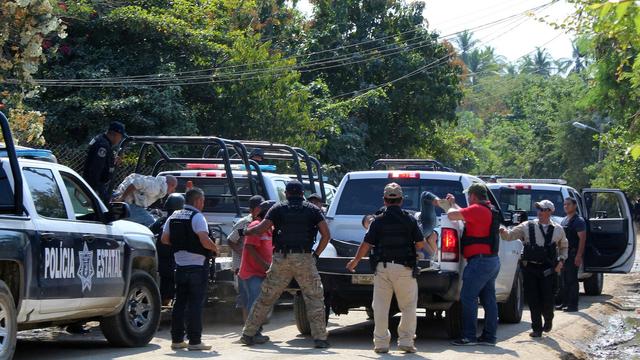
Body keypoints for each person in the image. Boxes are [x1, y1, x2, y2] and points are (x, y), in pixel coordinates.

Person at [239, 180, 331, 349]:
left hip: (281, 257)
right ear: (302, 194)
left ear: (287, 194)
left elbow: (260, 229)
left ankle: (248, 334)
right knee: (314, 298)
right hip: (304, 258)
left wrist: (244, 231)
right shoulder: (313, 210)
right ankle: (320, 338)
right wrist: (315, 255)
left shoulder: (278, 208)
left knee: (266, 297)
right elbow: (326, 235)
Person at [346, 183, 425, 354]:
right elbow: (420, 243)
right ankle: (406, 342)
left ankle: (381, 344)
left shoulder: (377, 221)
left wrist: (355, 261)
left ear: (385, 200)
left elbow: (366, 244)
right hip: (405, 269)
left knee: (381, 307)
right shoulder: (409, 219)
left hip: (383, 269)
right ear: (401, 200)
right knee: (408, 307)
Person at [439, 183, 501, 346]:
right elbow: (463, 214)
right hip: (490, 261)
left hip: (479, 262)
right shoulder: (487, 209)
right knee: (489, 300)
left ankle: (469, 336)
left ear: (473, 196)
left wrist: (450, 205)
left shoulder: (477, 210)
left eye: (469, 196)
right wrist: (454, 204)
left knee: (468, 297)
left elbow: (453, 216)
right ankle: (489, 337)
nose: (468, 198)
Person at [500, 199, 568, 338]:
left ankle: (548, 319)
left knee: (547, 299)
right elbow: (510, 236)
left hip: (548, 270)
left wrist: (561, 261)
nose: (540, 212)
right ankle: (537, 328)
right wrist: (501, 230)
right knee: (533, 299)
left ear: (550, 212)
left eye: (543, 210)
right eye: (538, 209)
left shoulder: (558, 229)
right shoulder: (526, 226)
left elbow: (564, 247)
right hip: (530, 268)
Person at [161, 188, 217, 351]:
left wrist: (181, 246)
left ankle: (177, 340)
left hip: (180, 266)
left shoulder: (174, 216)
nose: (203, 204)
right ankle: (195, 341)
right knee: (195, 305)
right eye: (203, 201)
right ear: (198, 201)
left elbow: (165, 239)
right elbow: (205, 240)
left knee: (179, 303)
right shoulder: (197, 217)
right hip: (197, 268)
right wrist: (215, 249)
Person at [227, 195, 265, 321]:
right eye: (259, 208)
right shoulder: (244, 223)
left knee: (256, 297)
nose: (262, 211)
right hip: (242, 267)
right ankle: (248, 327)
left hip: (257, 267)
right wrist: (242, 252)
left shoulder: (265, 224)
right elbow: (231, 240)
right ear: (252, 210)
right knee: (247, 298)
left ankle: (253, 327)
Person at [238, 201, 275, 324]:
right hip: (252, 273)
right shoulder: (255, 225)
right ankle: (251, 333)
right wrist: (265, 265)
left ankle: (254, 331)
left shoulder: (269, 228)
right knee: (254, 302)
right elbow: (249, 247)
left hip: (261, 273)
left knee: (259, 303)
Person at [149, 193, 185, 306]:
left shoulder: (161, 221)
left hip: (161, 259)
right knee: (171, 284)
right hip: (176, 260)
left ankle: (163, 302)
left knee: (165, 282)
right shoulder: (184, 222)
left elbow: (149, 232)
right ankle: (167, 303)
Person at [82, 121, 125, 203]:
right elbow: (95, 169)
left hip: (95, 185)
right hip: (96, 186)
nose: (120, 140)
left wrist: (113, 161)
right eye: (120, 137)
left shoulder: (101, 140)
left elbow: (102, 163)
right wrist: (94, 191)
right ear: (116, 134)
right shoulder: (103, 145)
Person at [558, 197, 587, 312]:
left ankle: (573, 305)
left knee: (572, 280)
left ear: (574, 206)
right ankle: (564, 303)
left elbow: (582, 239)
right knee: (563, 280)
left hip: (573, 253)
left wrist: (579, 256)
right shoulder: (564, 220)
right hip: (564, 254)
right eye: (564, 204)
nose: (566, 206)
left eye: (568, 204)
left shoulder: (578, 221)